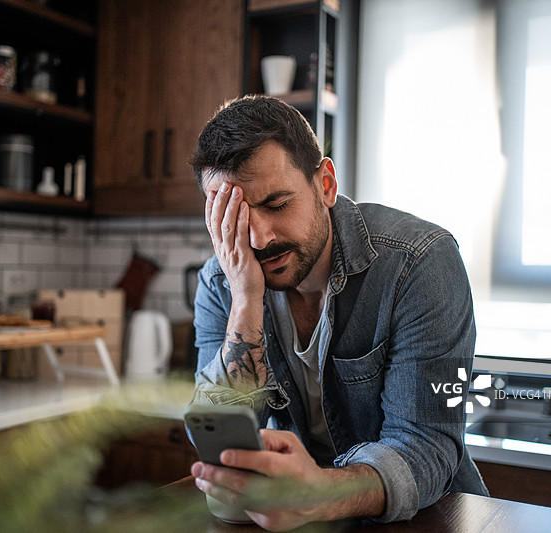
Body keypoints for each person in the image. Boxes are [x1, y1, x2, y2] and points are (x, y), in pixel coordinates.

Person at [188, 95, 488, 531]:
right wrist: (246, 301)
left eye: (276, 204)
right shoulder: (223, 282)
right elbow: (217, 439)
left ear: (325, 185)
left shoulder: (422, 262)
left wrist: (324, 493)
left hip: (425, 520)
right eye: (235, 219)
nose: (258, 238)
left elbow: (427, 445)